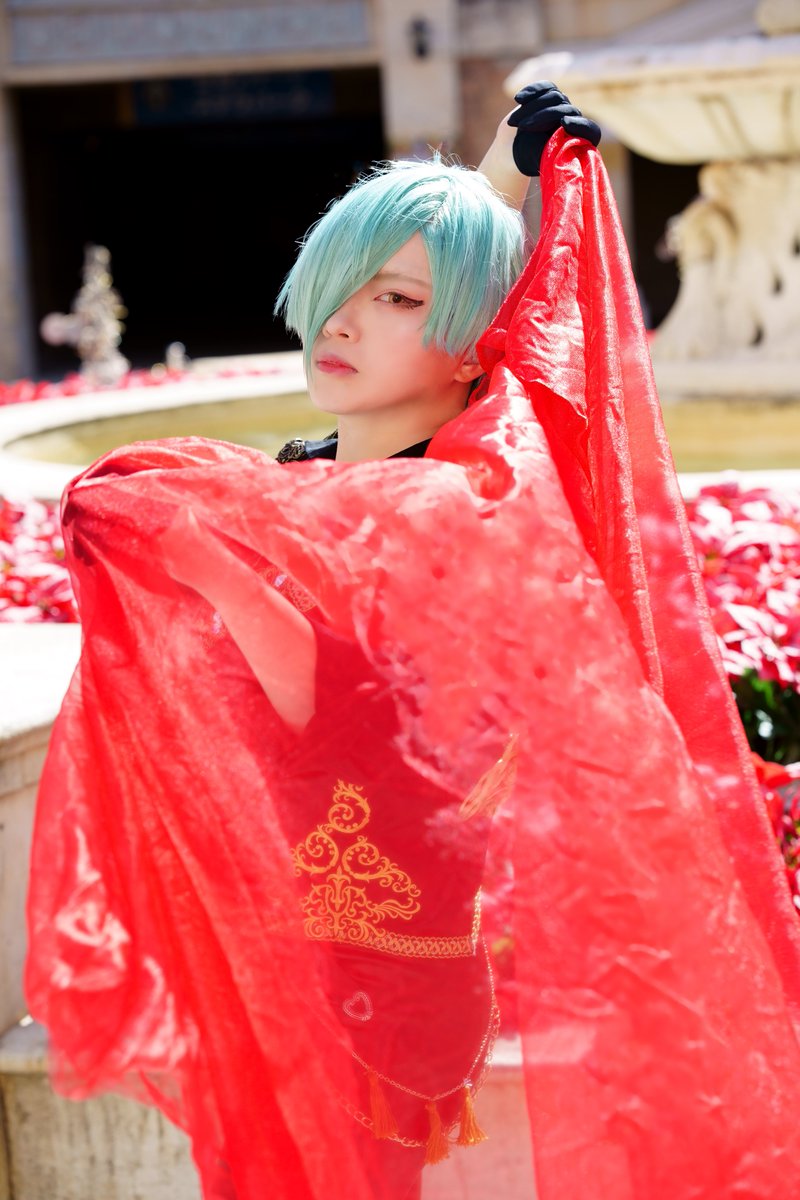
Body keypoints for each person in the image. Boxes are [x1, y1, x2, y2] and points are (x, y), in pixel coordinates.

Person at [26, 82, 800, 1200]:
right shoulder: (312, 478)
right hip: (287, 920)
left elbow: (338, 709)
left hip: (382, 956)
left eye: (390, 299)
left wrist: (201, 562)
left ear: (474, 348)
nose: (341, 322)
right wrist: (495, 182)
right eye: (339, 286)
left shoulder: (460, 504)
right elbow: (443, 327)